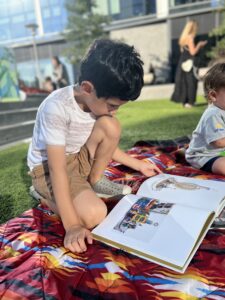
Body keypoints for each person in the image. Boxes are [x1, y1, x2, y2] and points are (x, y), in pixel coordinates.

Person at [27, 39, 161, 254]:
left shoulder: (95, 105)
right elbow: (57, 168)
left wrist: (138, 165)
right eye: (112, 105)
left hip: (76, 158)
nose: (114, 111)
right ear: (88, 88)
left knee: (110, 125)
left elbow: (105, 146)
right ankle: (43, 195)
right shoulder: (56, 107)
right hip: (48, 169)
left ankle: (95, 180)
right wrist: (72, 226)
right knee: (94, 215)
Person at [185, 63, 225, 175]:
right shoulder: (213, 114)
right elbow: (218, 142)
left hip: (220, 152)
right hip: (204, 155)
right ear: (213, 96)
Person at [171, 20, 207, 108]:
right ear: (193, 28)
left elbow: (182, 51)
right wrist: (199, 45)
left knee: (185, 82)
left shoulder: (183, 38)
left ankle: (185, 102)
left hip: (183, 63)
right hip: (190, 64)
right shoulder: (190, 37)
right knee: (192, 82)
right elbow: (193, 52)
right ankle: (190, 102)